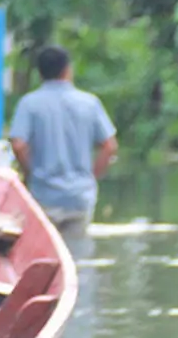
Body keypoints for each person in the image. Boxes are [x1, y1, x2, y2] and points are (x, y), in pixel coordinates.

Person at [9, 45, 118, 236]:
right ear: (68, 69)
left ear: (40, 73)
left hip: (44, 195)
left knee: (48, 253)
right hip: (80, 196)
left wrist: (31, 173)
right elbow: (109, 146)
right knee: (79, 254)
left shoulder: (29, 104)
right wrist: (91, 177)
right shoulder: (89, 103)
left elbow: (18, 145)